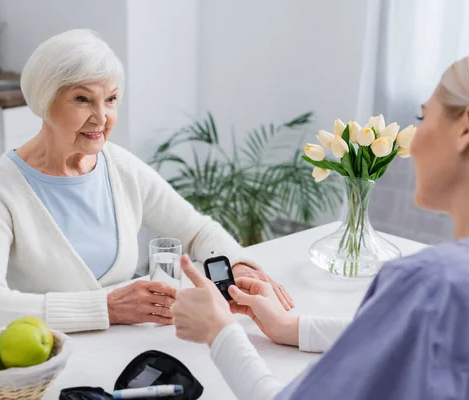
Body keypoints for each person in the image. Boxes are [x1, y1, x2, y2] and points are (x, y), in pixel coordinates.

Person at [172, 56, 469, 400]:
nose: (413, 142)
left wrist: (219, 331)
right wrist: (291, 327)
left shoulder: (430, 285)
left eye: (422, 117)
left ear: (464, 130)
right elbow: (395, 337)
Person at [0, 29, 293, 334]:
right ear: (45, 102)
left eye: (111, 99)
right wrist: (108, 308)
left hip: (124, 350)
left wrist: (239, 265)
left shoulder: (119, 167)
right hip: (42, 359)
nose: (101, 118)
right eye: (82, 99)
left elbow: (197, 231)